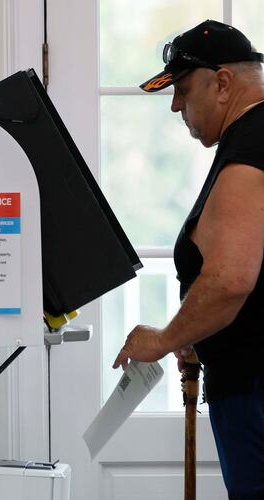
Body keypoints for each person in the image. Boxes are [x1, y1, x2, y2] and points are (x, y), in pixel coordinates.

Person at [112, 19, 264, 499]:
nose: (176, 104)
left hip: (254, 388)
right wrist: (197, 333)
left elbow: (231, 279)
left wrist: (165, 338)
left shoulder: (251, 147)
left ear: (222, 83)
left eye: (182, 88)